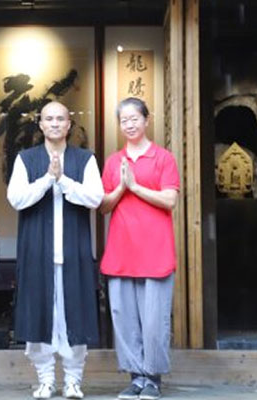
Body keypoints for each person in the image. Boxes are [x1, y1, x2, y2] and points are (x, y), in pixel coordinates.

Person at [7, 101, 104, 399]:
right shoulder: (26, 159)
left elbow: (95, 198)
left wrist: (63, 179)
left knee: (74, 315)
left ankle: (73, 380)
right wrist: (48, 178)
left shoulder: (85, 159)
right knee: (40, 315)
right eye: (49, 119)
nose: (54, 124)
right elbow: (16, 199)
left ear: (69, 124)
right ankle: (46, 379)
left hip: (73, 252)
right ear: (40, 124)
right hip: (37, 253)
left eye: (60, 119)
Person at [100, 97, 180, 400]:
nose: (130, 124)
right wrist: (122, 187)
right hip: (121, 250)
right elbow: (103, 206)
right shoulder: (113, 162)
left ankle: (153, 379)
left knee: (155, 320)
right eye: (124, 120)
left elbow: (170, 200)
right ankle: (136, 378)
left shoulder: (163, 158)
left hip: (155, 250)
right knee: (124, 318)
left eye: (135, 118)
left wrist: (135, 187)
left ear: (147, 120)